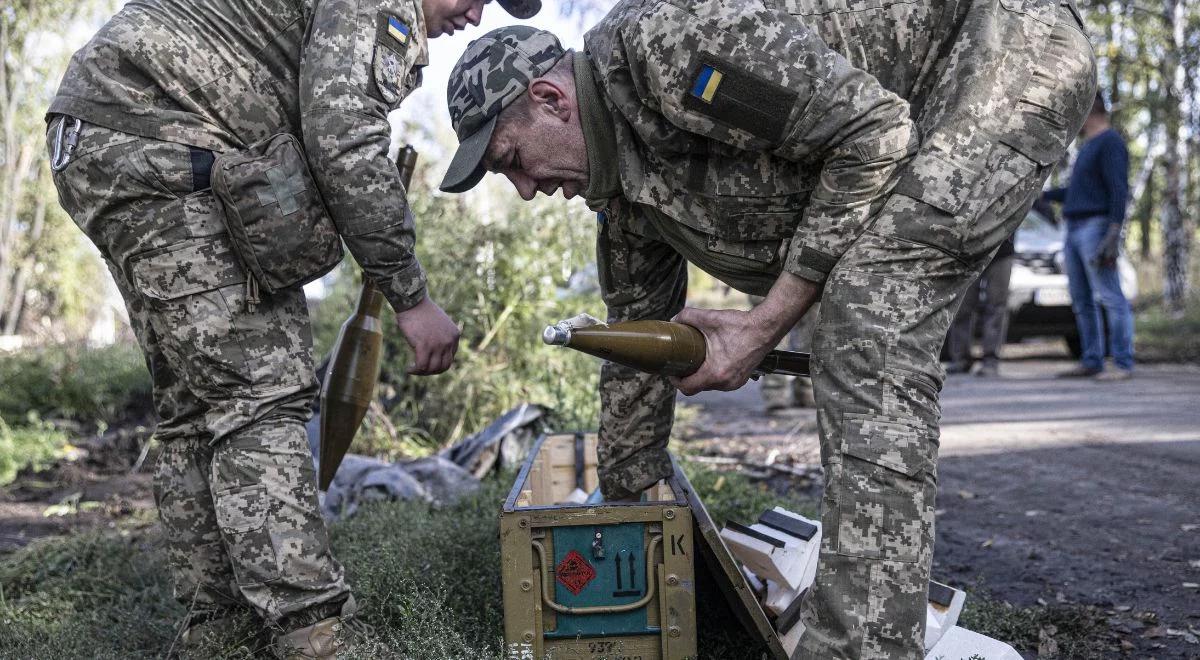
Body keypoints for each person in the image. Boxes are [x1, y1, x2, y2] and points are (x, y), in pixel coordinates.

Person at [438, 1, 1096, 655]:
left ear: (551, 99)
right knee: (852, 309)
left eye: (511, 160)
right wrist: (626, 521)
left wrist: (761, 326)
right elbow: (636, 344)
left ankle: (862, 645)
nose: (524, 189)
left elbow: (874, 135)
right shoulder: (623, 197)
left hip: (1000, 54)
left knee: (866, 318)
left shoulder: (665, 52)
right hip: (920, 107)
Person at [44, 0, 539, 656]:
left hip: (113, 131)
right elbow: (342, 134)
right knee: (261, 397)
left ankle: (218, 636)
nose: (476, 14)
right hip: (163, 134)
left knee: (197, 415)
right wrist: (411, 297)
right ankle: (317, 635)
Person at [1043, 93, 1135, 380]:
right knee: (1082, 300)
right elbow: (1078, 193)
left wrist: (1113, 234)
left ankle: (1122, 363)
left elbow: (1119, 190)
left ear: (1090, 110)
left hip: (1095, 228)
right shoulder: (1088, 147)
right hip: (1073, 229)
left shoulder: (1110, 143)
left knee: (1110, 296)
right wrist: (1042, 195)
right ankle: (1091, 359)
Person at [946, 233, 1015, 377]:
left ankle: (991, 360)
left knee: (996, 305)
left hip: (1001, 250)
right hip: (968, 251)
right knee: (961, 305)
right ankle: (960, 358)